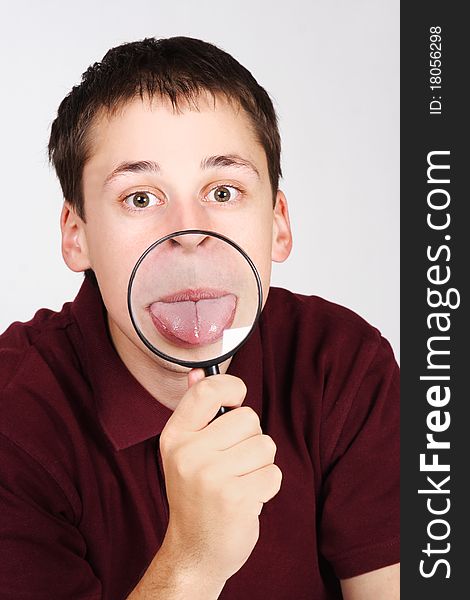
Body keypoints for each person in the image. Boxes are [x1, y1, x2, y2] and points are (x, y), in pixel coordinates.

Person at [0, 37, 399, 599]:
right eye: (140, 197)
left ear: (278, 224)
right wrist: (193, 561)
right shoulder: (14, 416)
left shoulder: (343, 364)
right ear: (76, 235)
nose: (189, 232)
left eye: (223, 190)